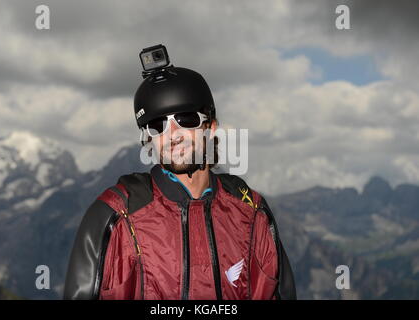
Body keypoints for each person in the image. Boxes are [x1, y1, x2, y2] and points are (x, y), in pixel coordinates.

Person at [63, 46, 296, 300]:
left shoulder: (251, 213)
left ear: (211, 126)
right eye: (157, 125)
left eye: (186, 119)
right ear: (148, 139)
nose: (172, 135)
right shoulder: (116, 214)